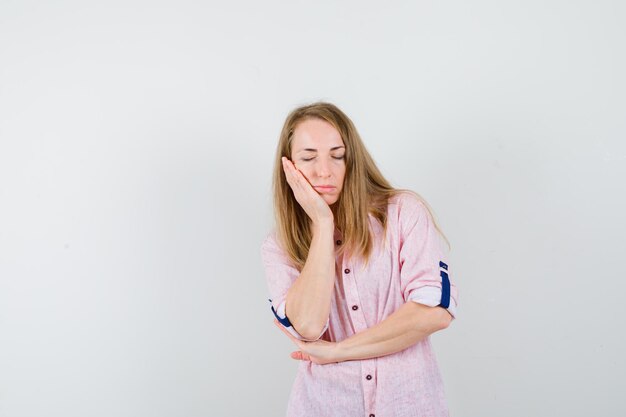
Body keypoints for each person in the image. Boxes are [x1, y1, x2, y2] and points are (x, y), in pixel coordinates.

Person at [261, 102, 459, 417]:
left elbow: (433, 313)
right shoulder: (278, 247)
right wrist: (323, 226)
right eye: (308, 157)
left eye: (337, 156)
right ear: (288, 167)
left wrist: (338, 351)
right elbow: (309, 327)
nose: (323, 170)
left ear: (353, 160)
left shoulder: (402, 213)